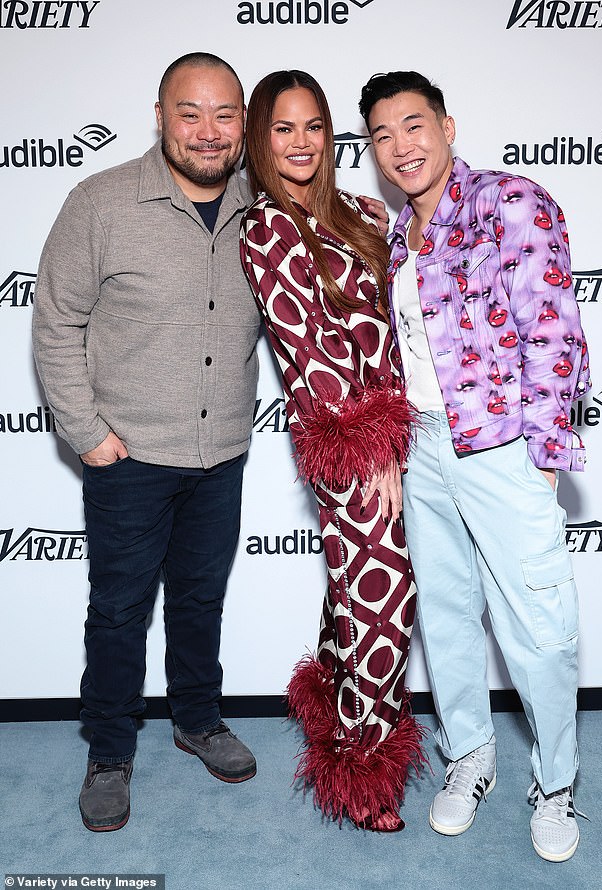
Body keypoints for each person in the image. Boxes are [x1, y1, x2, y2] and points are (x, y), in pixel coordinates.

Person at [359, 71, 591, 861]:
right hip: (424, 449)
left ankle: (555, 785)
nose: (401, 146)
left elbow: (554, 333)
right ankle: (471, 757)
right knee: (448, 620)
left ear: (448, 126)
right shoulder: (398, 235)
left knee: (540, 630)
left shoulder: (509, 202)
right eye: (383, 135)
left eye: (414, 125)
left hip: (500, 450)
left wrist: (543, 455)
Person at [32, 52, 262, 832]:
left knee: (201, 600)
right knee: (121, 610)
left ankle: (197, 719)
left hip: (222, 452)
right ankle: (108, 751)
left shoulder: (261, 208)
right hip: (128, 458)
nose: (208, 131)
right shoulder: (100, 203)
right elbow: (56, 322)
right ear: (160, 116)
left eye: (225, 114)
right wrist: (87, 433)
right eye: (190, 112)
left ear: (242, 125)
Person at [240, 70, 425, 833]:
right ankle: (363, 765)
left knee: (351, 583)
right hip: (348, 436)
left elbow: (393, 312)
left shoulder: (355, 211)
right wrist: (371, 447)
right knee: (386, 599)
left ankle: (328, 699)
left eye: (313, 125)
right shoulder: (266, 228)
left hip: (401, 428)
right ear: (261, 139)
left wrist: (385, 230)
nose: (301, 142)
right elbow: (311, 350)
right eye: (283, 129)